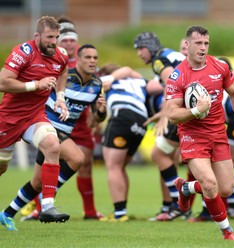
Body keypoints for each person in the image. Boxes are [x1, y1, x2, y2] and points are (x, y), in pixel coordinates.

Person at [166, 25, 234, 240]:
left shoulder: (220, 67)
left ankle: (186, 187)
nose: (203, 48)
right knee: (210, 185)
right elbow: (172, 114)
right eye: (198, 43)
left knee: (226, 189)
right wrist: (196, 111)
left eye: (206, 43)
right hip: (192, 136)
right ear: (187, 45)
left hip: (218, 133)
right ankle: (227, 231)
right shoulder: (177, 76)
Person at [21, 17, 104, 221]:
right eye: (62, 39)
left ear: (76, 43)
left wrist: (100, 113)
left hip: (80, 124)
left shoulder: (89, 64)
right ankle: (40, 205)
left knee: (83, 165)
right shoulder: (54, 61)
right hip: (53, 122)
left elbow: (98, 106)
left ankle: (89, 211)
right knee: (46, 172)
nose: (67, 43)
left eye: (70, 39)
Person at [0, 16, 70, 230]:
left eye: (57, 37)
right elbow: (3, 82)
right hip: (8, 118)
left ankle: (47, 206)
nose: (54, 42)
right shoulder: (23, 52)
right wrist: (35, 85)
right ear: (37, 36)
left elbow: (63, 72)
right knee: (1, 168)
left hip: (34, 116)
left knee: (53, 145)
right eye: (50, 37)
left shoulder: (61, 55)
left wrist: (60, 96)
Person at [134, 32, 187, 221]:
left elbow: (171, 86)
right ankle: (175, 205)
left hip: (185, 109)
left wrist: (165, 116)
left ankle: (179, 204)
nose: (139, 53)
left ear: (150, 47)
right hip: (196, 105)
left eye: (141, 48)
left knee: (158, 154)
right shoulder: (171, 54)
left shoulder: (159, 60)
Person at [96, 64, 149, 222]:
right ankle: (121, 210)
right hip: (141, 121)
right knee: (120, 167)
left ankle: (120, 213)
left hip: (122, 115)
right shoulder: (138, 82)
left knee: (113, 167)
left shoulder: (105, 80)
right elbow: (129, 69)